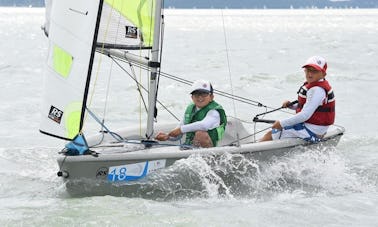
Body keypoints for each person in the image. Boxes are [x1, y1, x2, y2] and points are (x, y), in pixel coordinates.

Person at [260, 56, 335, 142]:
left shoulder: (317, 90)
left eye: (314, 71)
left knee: (271, 134)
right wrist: (292, 106)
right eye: (308, 70)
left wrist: (281, 123)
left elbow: (304, 115)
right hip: (316, 128)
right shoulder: (317, 86)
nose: (310, 74)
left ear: (323, 74)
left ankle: (250, 153)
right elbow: (311, 106)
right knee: (274, 132)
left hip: (312, 130)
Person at [155, 80, 227, 148]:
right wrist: (167, 136)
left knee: (200, 134)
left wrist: (180, 130)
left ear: (211, 97)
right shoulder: (190, 109)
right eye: (196, 94)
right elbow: (178, 134)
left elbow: (204, 125)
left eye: (204, 94)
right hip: (189, 148)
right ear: (192, 97)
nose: (200, 97)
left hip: (210, 152)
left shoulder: (214, 112)